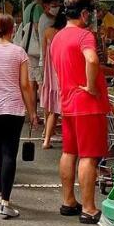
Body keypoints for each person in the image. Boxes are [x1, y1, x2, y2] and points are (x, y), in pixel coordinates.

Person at [51, 0, 109, 224]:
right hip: (87, 104)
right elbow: (92, 60)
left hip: (67, 101)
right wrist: (92, 86)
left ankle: (68, 201)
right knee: (89, 156)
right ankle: (89, 207)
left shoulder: (57, 37)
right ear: (84, 13)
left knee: (69, 152)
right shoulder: (84, 35)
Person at [0, 14, 39, 219]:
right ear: (12, 29)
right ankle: (5, 200)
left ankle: (0, 191)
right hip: (13, 107)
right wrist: (32, 111)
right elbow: (25, 85)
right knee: (9, 153)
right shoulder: (19, 52)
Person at [40, 9, 67, 149]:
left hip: (49, 71)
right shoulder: (65, 34)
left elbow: (44, 53)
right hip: (62, 71)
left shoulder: (47, 31)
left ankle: (46, 140)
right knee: (66, 110)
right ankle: (71, 141)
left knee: (54, 111)